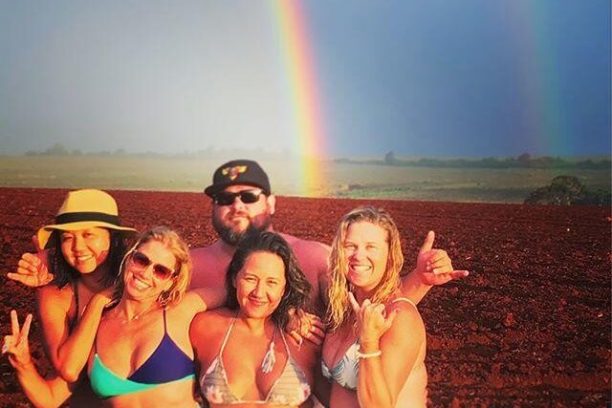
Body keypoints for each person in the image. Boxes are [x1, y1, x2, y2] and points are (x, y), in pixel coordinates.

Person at [190, 159, 467, 322]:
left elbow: (372, 316)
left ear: (271, 203)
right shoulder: (188, 267)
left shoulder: (314, 257)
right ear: (214, 207)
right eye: (225, 198)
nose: (237, 206)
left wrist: (420, 279)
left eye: (249, 197)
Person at [5, 226, 220, 407]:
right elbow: (50, 397)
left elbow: (241, 291)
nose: (146, 273)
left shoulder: (181, 310)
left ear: (171, 281)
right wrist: (22, 363)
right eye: (141, 260)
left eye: (160, 270)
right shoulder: (94, 327)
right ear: (129, 259)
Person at [6, 189, 136, 405]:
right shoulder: (56, 296)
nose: (77, 247)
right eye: (67, 238)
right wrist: (23, 363)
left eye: (88, 235)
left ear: (112, 238)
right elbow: (64, 378)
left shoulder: (142, 283)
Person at [191, 231, 324, 407]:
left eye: (272, 282)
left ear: (284, 289)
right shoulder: (203, 328)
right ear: (234, 279)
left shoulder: (306, 336)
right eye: (250, 279)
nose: (259, 293)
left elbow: (340, 399)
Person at [321, 206, 428, 407]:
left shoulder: (399, 316)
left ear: (390, 255)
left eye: (371, 247)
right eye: (350, 245)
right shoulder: (343, 310)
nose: (358, 255)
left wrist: (369, 341)